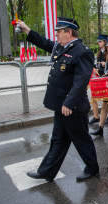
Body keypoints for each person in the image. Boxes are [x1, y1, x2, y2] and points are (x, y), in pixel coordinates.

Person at [18, 17, 99, 181]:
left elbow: (81, 81)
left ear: (69, 32)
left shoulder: (82, 51)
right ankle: (47, 171)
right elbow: (44, 42)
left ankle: (92, 168)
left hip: (72, 107)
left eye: (59, 31)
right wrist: (27, 29)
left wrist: (69, 102)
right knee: (58, 139)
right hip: (61, 105)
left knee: (81, 139)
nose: (55, 34)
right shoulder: (62, 47)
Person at [88, 34, 108, 126]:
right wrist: (95, 68)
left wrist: (104, 65)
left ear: (105, 42)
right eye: (98, 41)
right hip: (98, 77)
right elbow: (96, 64)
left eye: (100, 41)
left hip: (106, 77)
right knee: (93, 96)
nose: (98, 43)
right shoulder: (99, 51)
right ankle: (96, 116)